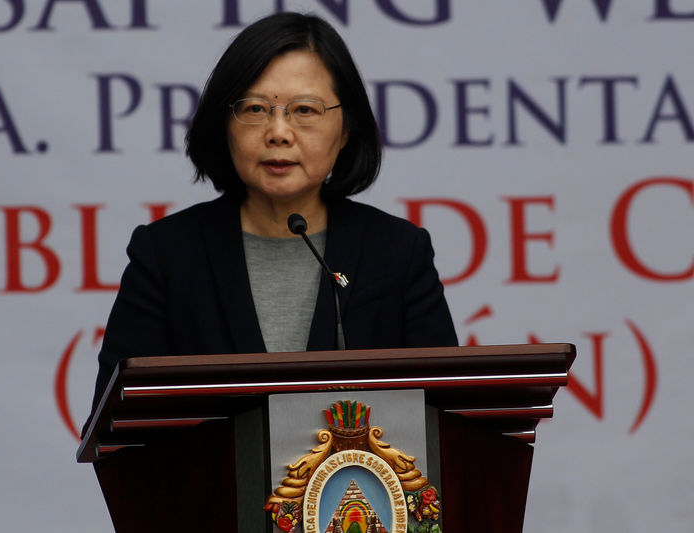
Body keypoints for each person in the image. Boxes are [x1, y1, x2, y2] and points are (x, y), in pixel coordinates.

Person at [88, 12, 457, 413]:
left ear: (345, 130)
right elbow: (117, 424)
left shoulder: (398, 252)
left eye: (304, 110)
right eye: (256, 108)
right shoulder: (166, 255)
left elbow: (445, 416)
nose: (278, 132)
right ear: (224, 124)